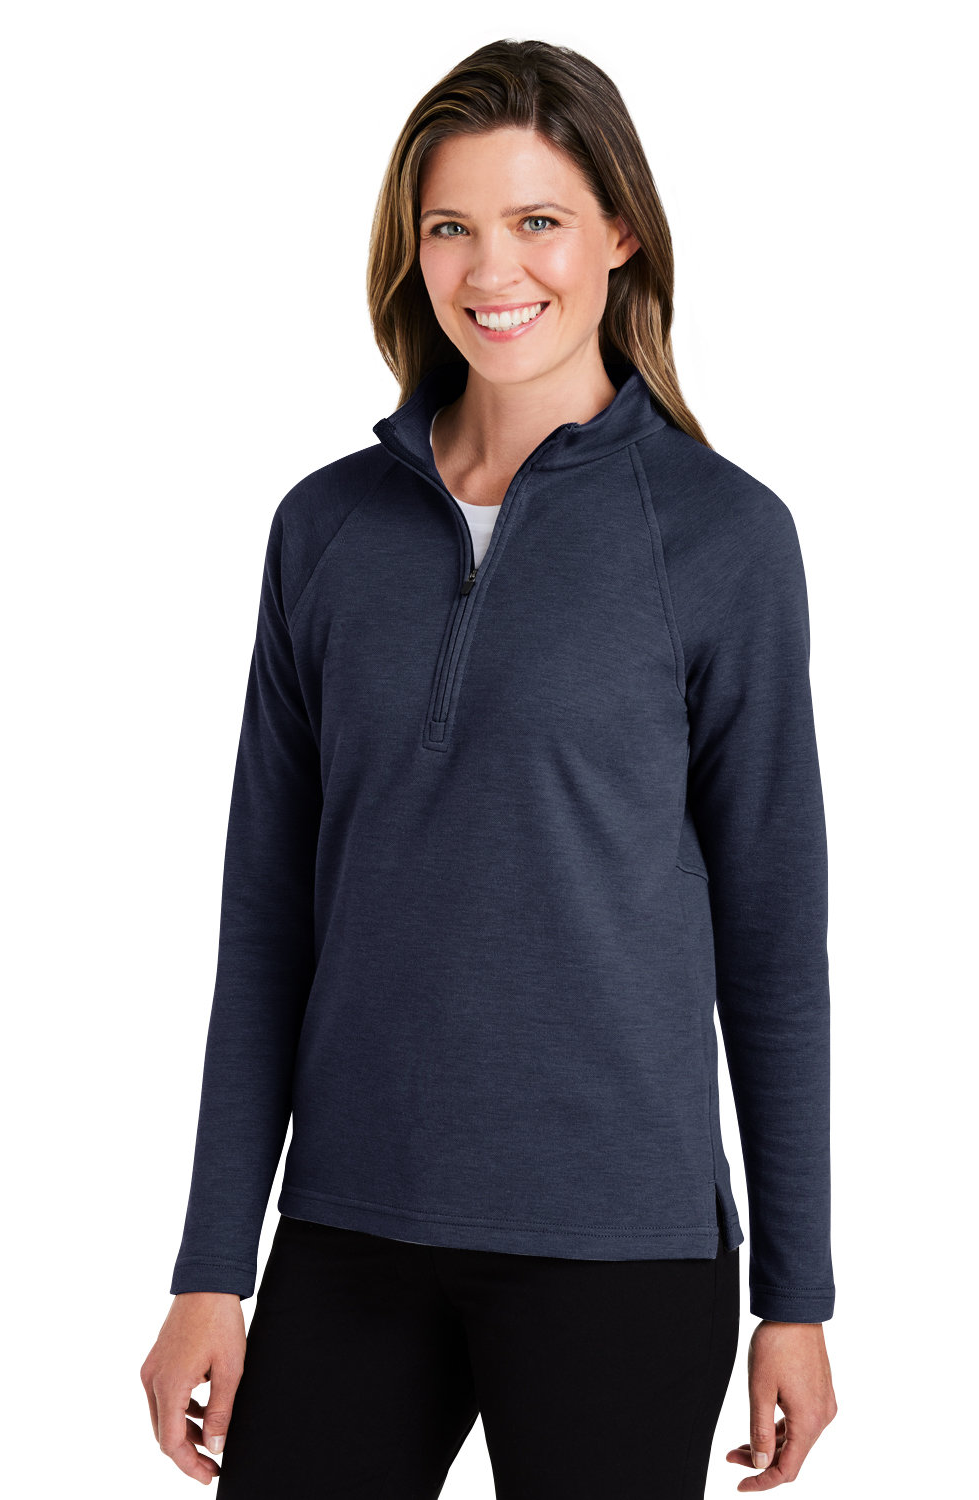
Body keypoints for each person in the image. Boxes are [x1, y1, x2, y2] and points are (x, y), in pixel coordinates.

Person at [140, 36, 838, 1499]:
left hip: (620, 1248)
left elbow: (774, 942)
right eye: (452, 225)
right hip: (351, 1227)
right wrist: (213, 1261)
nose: (492, 268)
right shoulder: (326, 529)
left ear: (620, 235)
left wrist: (798, 1293)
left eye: (538, 221)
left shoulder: (722, 537)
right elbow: (266, 922)